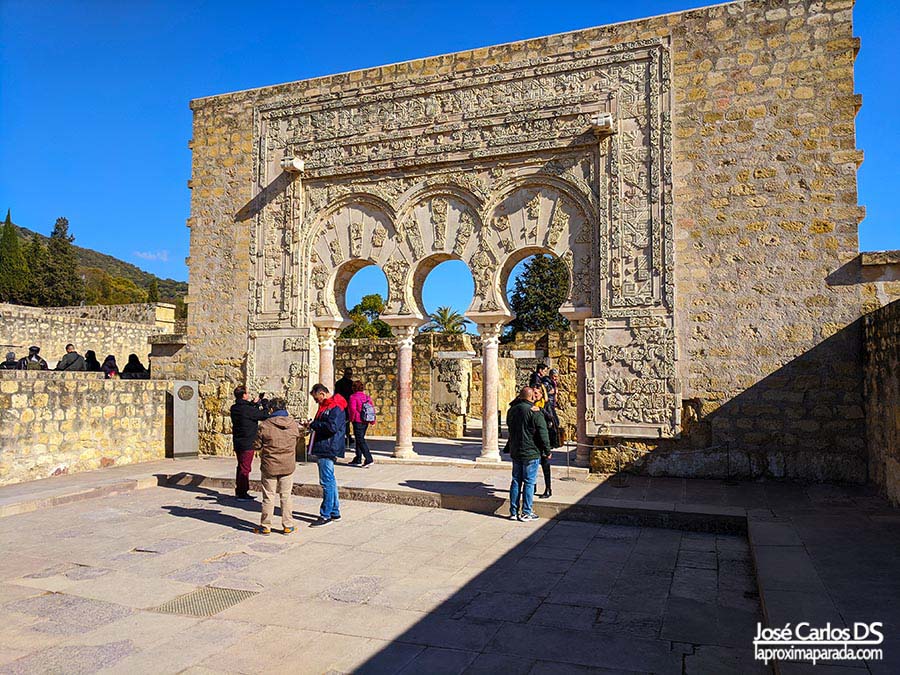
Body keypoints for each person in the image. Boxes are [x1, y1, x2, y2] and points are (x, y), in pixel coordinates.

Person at [253, 397, 301, 536]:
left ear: (272, 409)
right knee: (286, 496)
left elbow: (257, 445)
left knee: (268, 496)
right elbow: (297, 438)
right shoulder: (293, 424)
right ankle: (288, 525)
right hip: (287, 465)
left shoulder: (265, 425)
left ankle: (266, 526)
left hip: (270, 465)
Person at [505, 386, 551, 522]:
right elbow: (543, 432)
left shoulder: (511, 411)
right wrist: (547, 450)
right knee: (529, 482)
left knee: (516, 480)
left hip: (516, 450)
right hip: (531, 451)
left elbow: (510, 426)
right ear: (531, 397)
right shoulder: (534, 411)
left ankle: (513, 512)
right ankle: (526, 512)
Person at [304, 383, 346, 526]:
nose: (317, 402)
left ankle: (325, 514)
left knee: (326, 481)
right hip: (325, 446)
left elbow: (332, 427)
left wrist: (314, 425)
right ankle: (334, 511)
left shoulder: (335, 407)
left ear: (322, 394)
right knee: (330, 480)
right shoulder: (327, 407)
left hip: (327, 447)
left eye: (317, 399)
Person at [230, 385, 270, 501]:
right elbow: (264, 416)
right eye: (247, 393)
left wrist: (254, 403)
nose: (248, 395)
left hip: (238, 441)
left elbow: (248, 413)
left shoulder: (234, 408)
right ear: (244, 395)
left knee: (241, 466)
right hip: (248, 442)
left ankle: (239, 490)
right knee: (245, 468)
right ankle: (242, 493)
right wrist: (264, 405)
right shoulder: (248, 409)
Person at [531, 387, 557, 499]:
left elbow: (552, 418)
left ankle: (548, 488)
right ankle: (532, 486)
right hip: (533, 439)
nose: (534, 395)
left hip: (543, 438)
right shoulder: (530, 404)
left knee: (545, 464)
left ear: (542, 394)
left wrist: (541, 410)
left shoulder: (546, 405)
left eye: (536, 393)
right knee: (532, 464)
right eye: (533, 393)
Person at [347, 380, 375, 467]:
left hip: (357, 421)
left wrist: (351, 419)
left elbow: (352, 409)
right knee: (359, 439)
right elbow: (372, 409)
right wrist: (372, 420)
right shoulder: (367, 397)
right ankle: (358, 458)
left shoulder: (353, 397)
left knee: (360, 440)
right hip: (365, 420)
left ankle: (369, 459)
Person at [334, 368, 354, 449]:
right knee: (343, 423)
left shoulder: (349, 383)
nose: (349, 375)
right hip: (343, 405)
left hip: (345, 406)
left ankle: (346, 437)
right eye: (348, 374)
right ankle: (345, 438)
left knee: (346, 423)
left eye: (350, 374)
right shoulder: (341, 383)